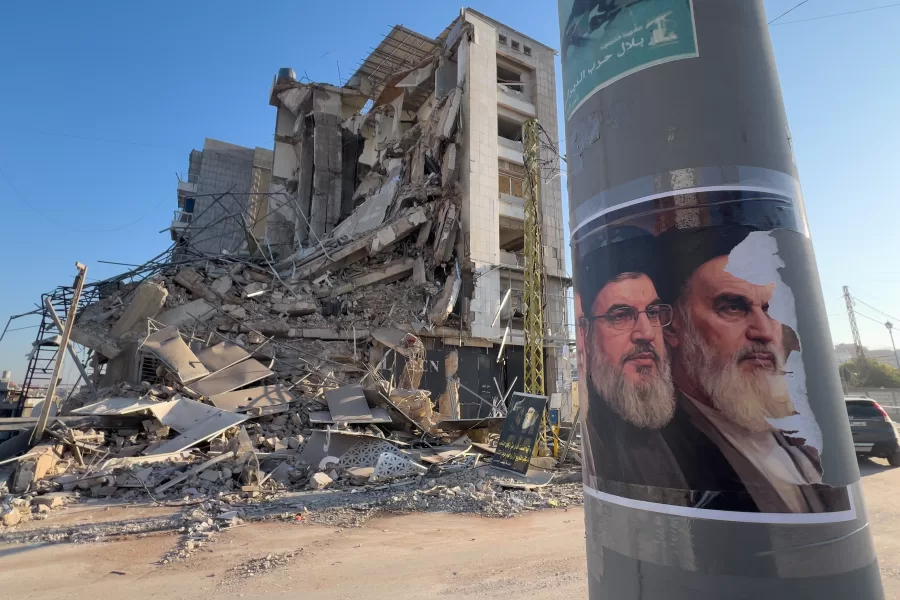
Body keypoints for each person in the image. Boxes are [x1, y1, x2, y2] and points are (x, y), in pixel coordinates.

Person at [659, 226, 845, 513]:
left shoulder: (797, 428)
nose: (764, 331)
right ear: (673, 326)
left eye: (771, 310)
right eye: (733, 307)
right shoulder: (664, 447)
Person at [576, 233, 687, 496]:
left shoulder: (686, 438)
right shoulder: (600, 440)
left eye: (653, 312)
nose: (646, 333)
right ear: (586, 334)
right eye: (622, 315)